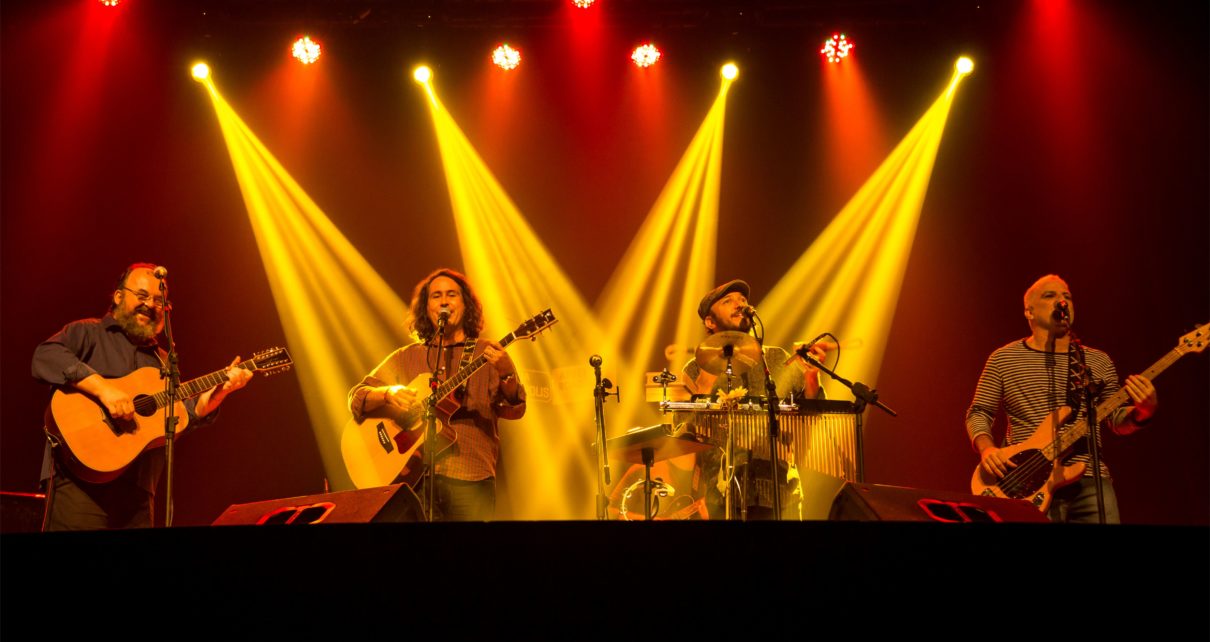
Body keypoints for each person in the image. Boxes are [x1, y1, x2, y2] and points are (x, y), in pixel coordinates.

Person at [32, 263, 253, 530]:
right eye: (142, 295)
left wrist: (220, 393)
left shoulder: (163, 360)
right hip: (79, 483)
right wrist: (103, 389)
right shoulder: (87, 332)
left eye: (159, 301)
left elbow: (180, 415)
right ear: (118, 296)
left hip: (138, 493)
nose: (149, 305)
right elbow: (45, 357)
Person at [965, 274, 1157, 524]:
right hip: (1025, 482)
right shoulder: (1003, 359)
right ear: (1029, 311)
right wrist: (988, 449)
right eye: (1050, 296)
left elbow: (1116, 420)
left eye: (1067, 296)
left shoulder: (1097, 361)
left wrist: (1143, 412)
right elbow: (979, 412)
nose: (1062, 301)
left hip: (1090, 479)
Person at [347, 268, 525, 521]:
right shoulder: (407, 356)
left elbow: (516, 409)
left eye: (452, 295)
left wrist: (507, 373)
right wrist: (387, 393)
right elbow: (357, 397)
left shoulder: (488, 353)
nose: (444, 301)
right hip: (415, 482)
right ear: (426, 307)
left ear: (466, 304)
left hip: (471, 478)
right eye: (436, 296)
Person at [680, 279, 829, 519]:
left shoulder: (776, 358)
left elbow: (811, 413)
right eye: (728, 301)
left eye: (743, 299)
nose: (739, 304)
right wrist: (706, 380)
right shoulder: (695, 368)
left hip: (781, 492)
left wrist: (812, 375)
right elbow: (683, 436)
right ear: (710, 321)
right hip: (724, 494)